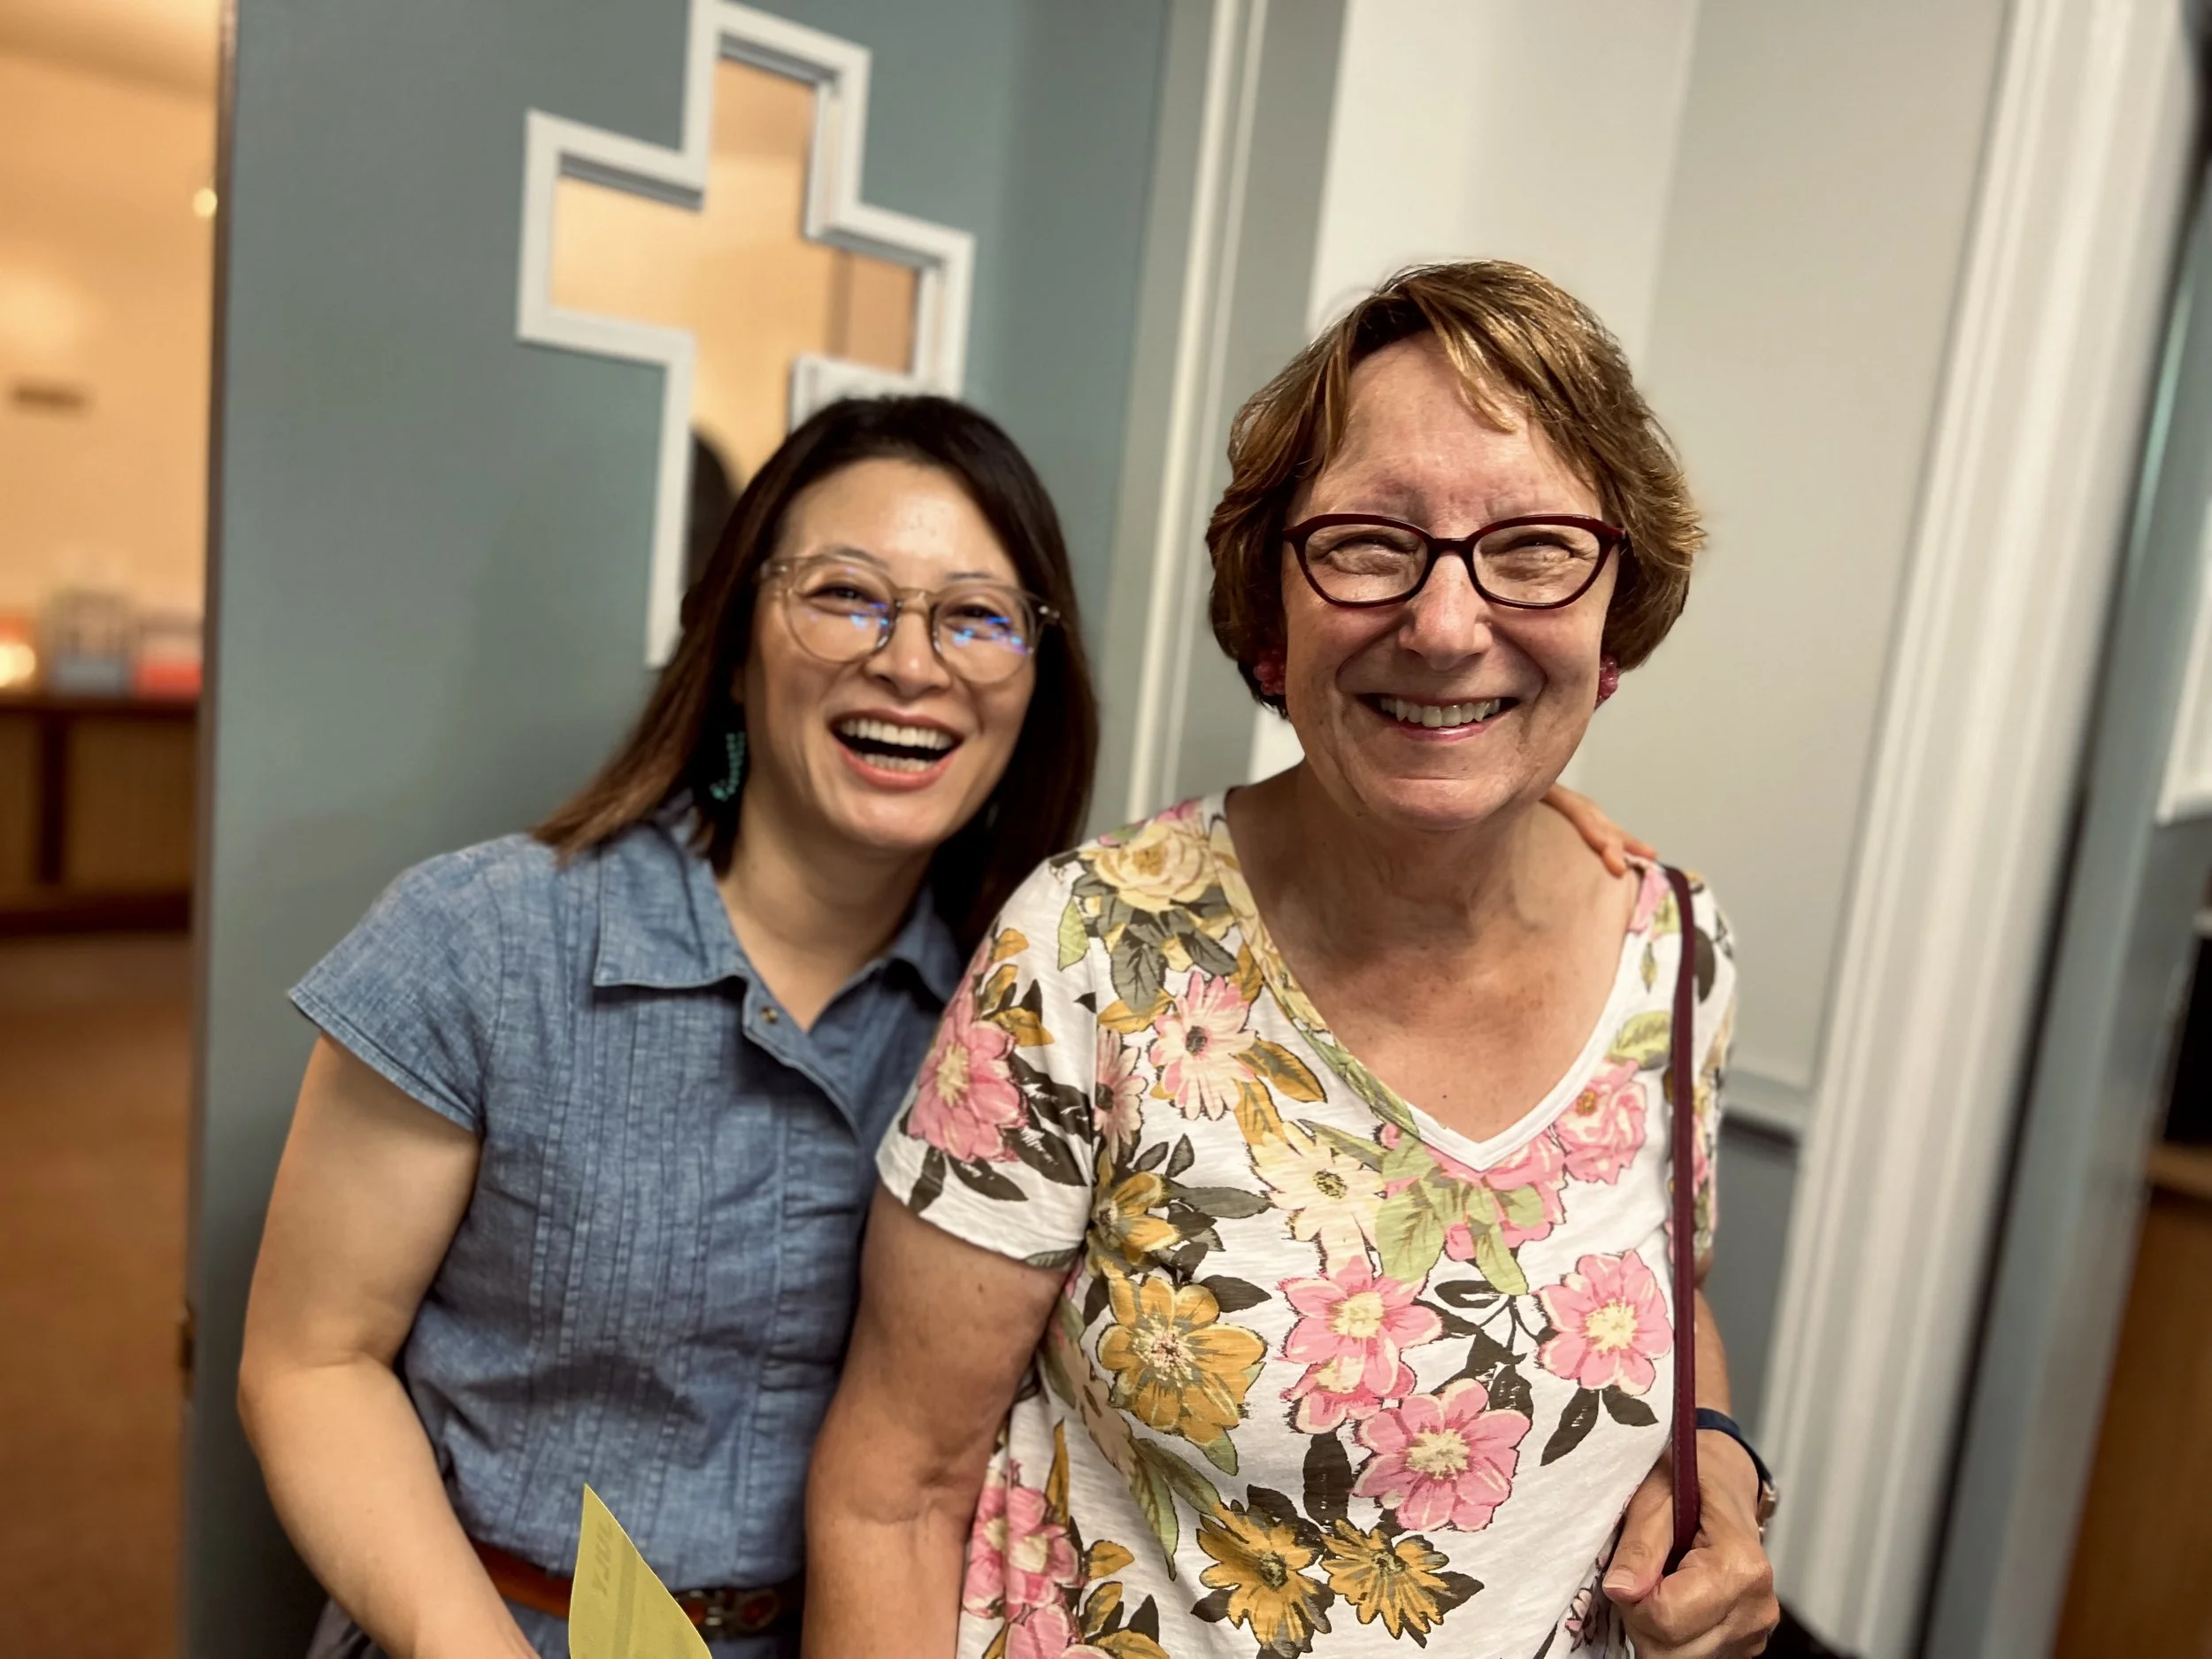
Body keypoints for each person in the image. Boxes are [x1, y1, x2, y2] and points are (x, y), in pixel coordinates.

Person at [807, 264, 1781, 1659]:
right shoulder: (1090, 951)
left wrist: (1719, 1458)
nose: (1447, 627)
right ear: (1275, 604)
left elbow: (1661, 1290)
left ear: (1615, 607)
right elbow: (890, 1496)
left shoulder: (1678, 951)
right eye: (1372, 544)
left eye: (1534, 545)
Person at [236, 396, 1100, 1659]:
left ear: (1033, 682)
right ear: (739, 642)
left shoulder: (1032, 1024)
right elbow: (312, 1365)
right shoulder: (487, 937)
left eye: (976, 617)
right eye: (847, 594)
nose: (911, 663)